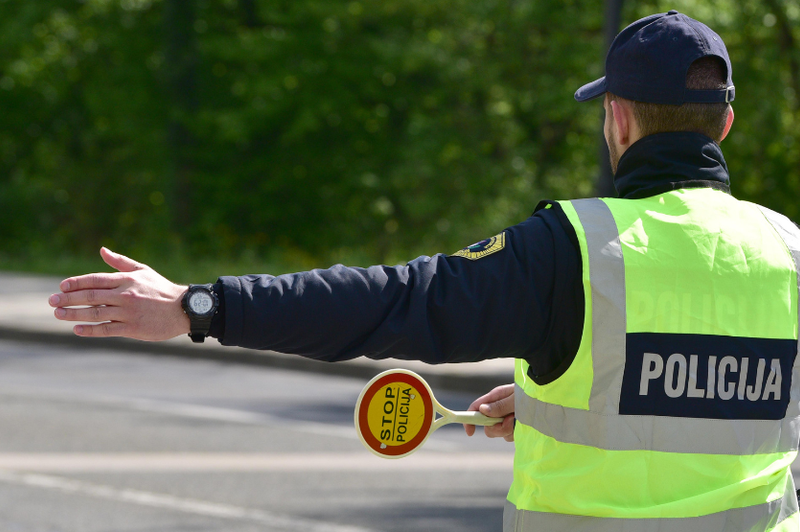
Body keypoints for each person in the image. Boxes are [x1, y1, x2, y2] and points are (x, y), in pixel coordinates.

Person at [48, 11, 800, 532]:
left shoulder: (574, 247)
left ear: (621, 121)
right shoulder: (789, 253)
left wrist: (198, 306)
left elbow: (393, 303)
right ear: (725, 123)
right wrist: (558, 398)